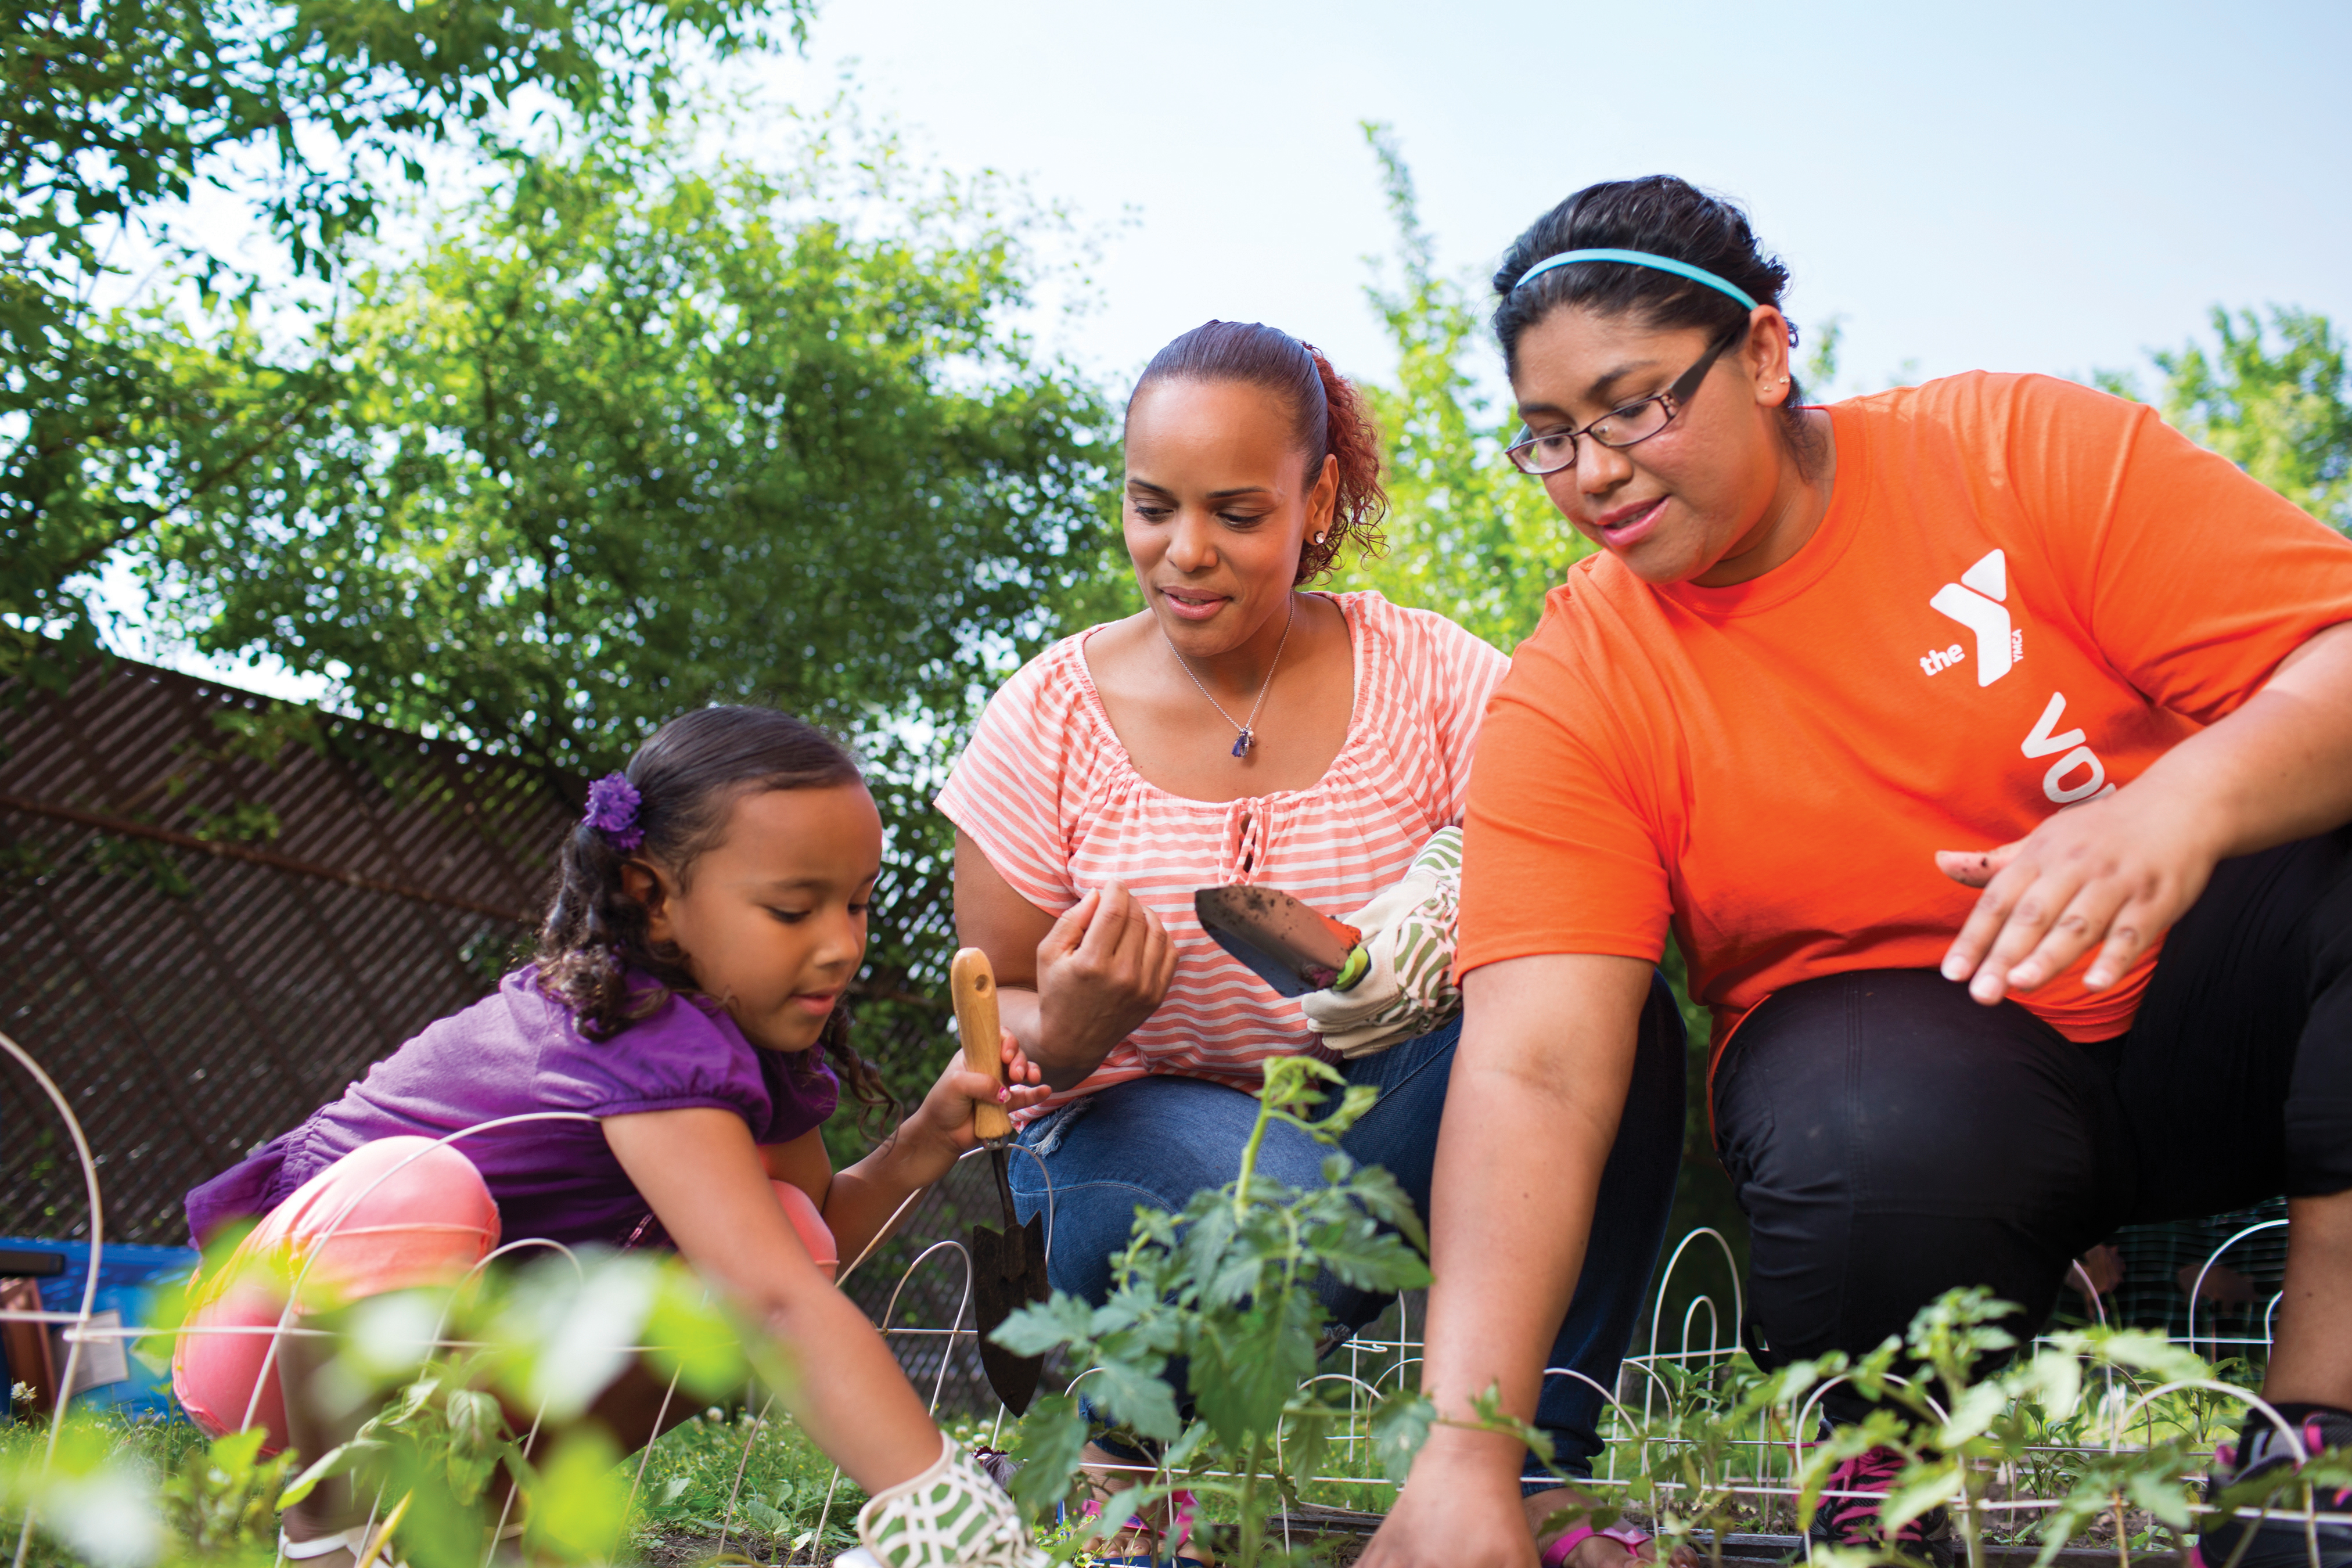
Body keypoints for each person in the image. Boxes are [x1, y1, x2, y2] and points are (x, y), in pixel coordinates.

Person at [1361, 176, 2352, 1568]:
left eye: (1635, 403)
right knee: (1864, 1135)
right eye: (1549, 436)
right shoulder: (1578, 688)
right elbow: (1535, 1068)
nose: (1594, 470)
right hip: (1917, 1083)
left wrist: (2171, 806)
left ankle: (2314, 1449)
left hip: (2199, 995)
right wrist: (1466, 1456)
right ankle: (1886, 1480)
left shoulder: (2015, 451)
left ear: (1764, 354)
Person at [938, 319, 1688, 1567]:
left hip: (1364, 1105)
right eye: (1152, 508)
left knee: (1620, 1014)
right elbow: (988, 1005)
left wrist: (1445, 924)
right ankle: (1119, 1448)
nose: (1186, 554)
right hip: (1116, 1142)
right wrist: (1060, 1030)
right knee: (1288, 1207)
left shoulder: (1435, 680)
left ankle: (1540, 1463)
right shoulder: (1048, 718)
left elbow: (1573, 885)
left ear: (1317, 496)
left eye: (1236, 512)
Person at [172, 707, 1056, 1568]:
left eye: (857, 906)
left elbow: (807, 1251)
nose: (839, 947)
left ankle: (494, 1513)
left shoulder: (752, 1044)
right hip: (276, 1354)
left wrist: (924, 1141)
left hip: (469, 1373)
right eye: (794, 911)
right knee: (414, 1189)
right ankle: (333, 1539)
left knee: (789, 1227)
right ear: (652, 898)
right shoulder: (634, 1029)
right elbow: (778, 1303)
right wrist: (935, 1498)